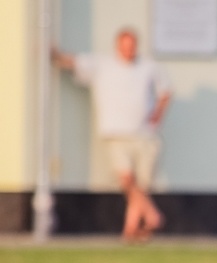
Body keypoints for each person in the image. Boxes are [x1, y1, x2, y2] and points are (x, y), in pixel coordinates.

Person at [52, 28, 171, 242]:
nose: (128, 50)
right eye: (125, 45)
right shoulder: (103, 65)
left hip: (144, 134)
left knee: (141, 186)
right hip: (115, 133)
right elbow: (73, 62)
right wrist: (52, 52)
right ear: (118, 45)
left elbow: (165, 91)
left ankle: (130, 230)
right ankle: (153, 215)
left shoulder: (148, 67)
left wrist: (158, 115)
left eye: (132, 45)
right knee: (126, 179)